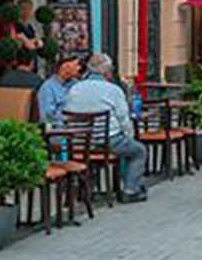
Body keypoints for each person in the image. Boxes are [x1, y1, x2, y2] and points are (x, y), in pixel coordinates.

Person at [63, 53, 148, 202]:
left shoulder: (74, 89)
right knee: (138, 150)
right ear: (107, 72)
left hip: (79, 142)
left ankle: (88, 188)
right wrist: (130, 136)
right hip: (108, 141)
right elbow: (124, 119)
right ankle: (130, 189)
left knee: (96, 153)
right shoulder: (113, 90)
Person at [36, 55, 81, 124]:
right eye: (76, 65)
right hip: (58, 129)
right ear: (65, 67)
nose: (79, 68)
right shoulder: (47, 88)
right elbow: (47, 116)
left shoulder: (76, 84)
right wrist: (66, 119)